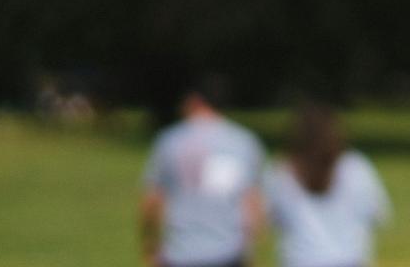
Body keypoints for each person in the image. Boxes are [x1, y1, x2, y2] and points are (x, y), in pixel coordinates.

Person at [140, 82, 266, 267]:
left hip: (180, 252)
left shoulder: (170, 140)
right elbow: (252, 203)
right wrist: (250, 248)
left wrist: (150, 246)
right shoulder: (242, 142)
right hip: (228, 252)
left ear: (194, 101)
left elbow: (152, 200)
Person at [263, 104, 391, 267]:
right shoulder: (356, 167)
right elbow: (379, 215)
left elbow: (267, 220)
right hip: (349, 258)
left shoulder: (281, 172)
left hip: (300, 260)